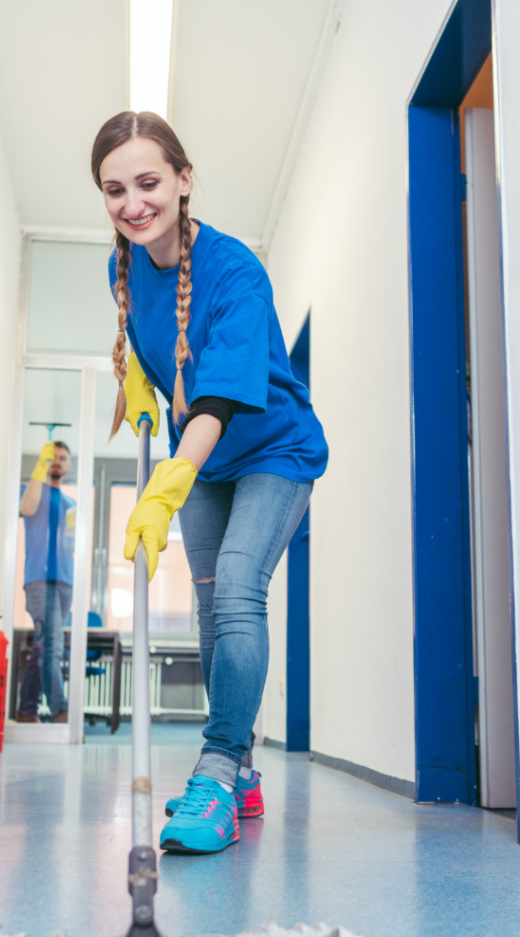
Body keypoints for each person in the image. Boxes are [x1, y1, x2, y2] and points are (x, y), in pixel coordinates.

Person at [91, 111, 328, 854]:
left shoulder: (235, 271)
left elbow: (219, 399)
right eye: (115, 188)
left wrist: (166, 485)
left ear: (184, 179)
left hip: (272, 452)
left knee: (236, 589)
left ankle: (219, 770)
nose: (134, 203)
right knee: (206, 609)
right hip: (207, 461)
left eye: (149, 182)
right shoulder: (121, 266)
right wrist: (137, 380)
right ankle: (244, 768)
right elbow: (156, 344)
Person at [17, 440, 76, 723]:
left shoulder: (71, 504)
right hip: (40, 580)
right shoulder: (33, 491)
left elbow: (71, 543)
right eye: (52, 457)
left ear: (69, 465)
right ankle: (60, 709)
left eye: (62, 458)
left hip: (65, 582)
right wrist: (38, 467)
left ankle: (26, 710)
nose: (57, 461)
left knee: (43, 646)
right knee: (52, 644)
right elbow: (26, 509)